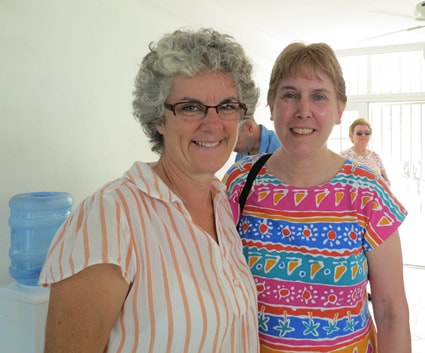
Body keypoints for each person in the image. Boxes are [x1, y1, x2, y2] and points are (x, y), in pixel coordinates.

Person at [39, 28, 261, 353]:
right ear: (159, 118)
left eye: (226, 106)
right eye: (190, 107)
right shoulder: (110, 217)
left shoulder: (221, 202)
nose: (213, 123)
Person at [224, 42, 411, 352]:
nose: (303, 111)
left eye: (319, 96)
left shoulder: (368, 193)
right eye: (290, 95)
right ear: (271, 106)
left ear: (339, 110)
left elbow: (392, 314)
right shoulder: (239, 184)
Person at [341, 118, 391, 186]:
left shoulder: (375, 156)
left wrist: (381, 185)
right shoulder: (343, 156)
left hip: (375, 195)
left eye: (367, 133)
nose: (363, 135)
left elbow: (387, 181)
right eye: (359, 133)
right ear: (351, 136)